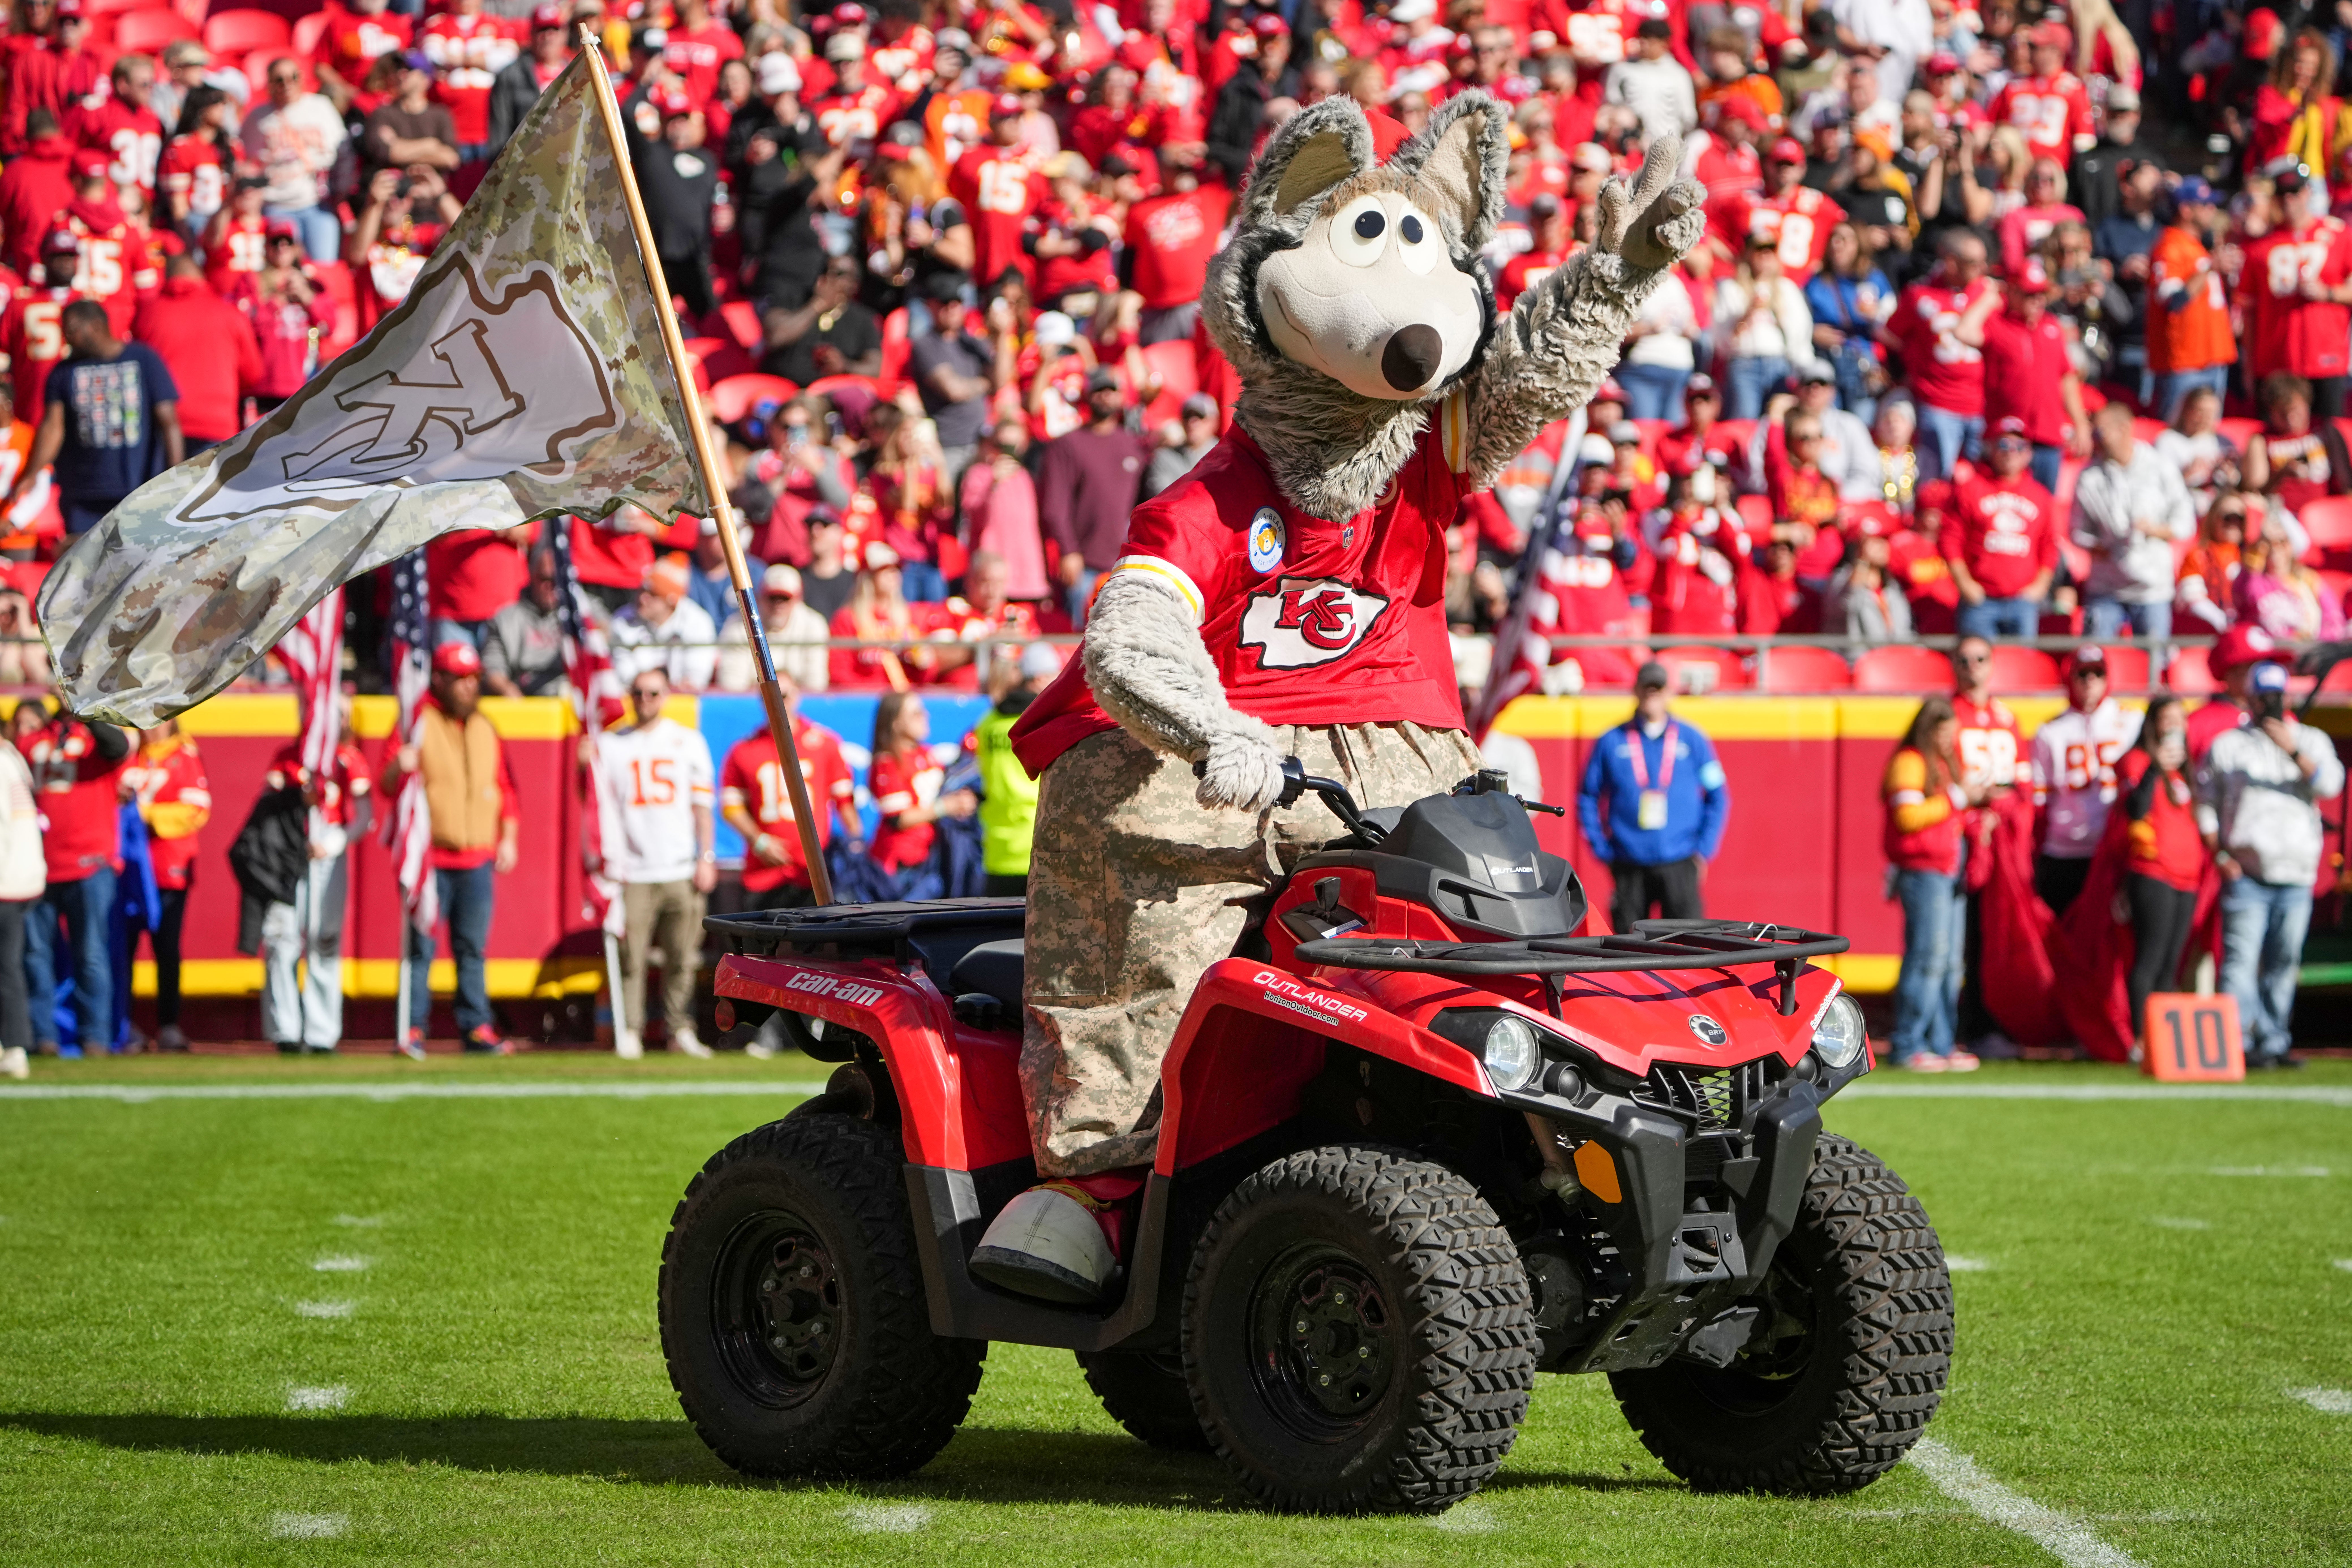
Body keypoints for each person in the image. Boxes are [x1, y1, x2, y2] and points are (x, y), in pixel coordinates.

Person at [2198, 659, 2345, 1069]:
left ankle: (2273, 1039)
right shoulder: (2229, 745)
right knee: (2240, 961)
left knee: (2284, 962)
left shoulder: (2311, 740)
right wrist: (2220, 853)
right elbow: (2205, 802)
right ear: (2250, 698)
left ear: (2288, 698)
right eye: (2263, 698)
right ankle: (2235, 1041)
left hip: (2295, 870)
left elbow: (2331, 784)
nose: (2270, 705)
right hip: (2245, 868)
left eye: (2276, 697)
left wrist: (2292, 749)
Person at [382, 642, 520, 1057]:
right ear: (438, 680)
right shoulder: (416, 723)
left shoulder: (485, 726)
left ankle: (476, 1028)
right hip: (429, 856)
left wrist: (509, 836)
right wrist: (398, 765)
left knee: (472, 948)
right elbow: (387, 783)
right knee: (421, 949)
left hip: (477, 856)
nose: (468, 687)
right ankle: (413, 1028)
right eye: (459, 678)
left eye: (473, 678)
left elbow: (505, 788)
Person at [593, 667, 717, 1059]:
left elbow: (702, 809)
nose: (645, 700)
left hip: (680, 865)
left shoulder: (687, 741)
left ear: (665, 695)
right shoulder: (611, 744)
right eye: (638, 693)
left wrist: (706, 856)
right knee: (633, 957)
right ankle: (629, 1028)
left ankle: (679, 1028)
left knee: (683, 957)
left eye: (653, 693)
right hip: (633, 869)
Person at [1577, 662, 1732, 934]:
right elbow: (1587, 797)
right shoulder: (1612, 741)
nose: (1652, 695)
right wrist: (1602, 849)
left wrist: (1703, 850)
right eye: (1647, 689)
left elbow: (1718, 796)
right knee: (1630, 949)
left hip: (1680, 860)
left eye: (1658, 689)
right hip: (1629, 862)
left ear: (1669, 693)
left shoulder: (1692, 739)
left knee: (1689, 946)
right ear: (1635, 691)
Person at [10, 300, 182, 534]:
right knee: (88, 566)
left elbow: (169, 423)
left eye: (72, 331)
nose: (66, 338)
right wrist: (32, 474)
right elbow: (53, 428)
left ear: (97, 327)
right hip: (82, 495)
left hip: (138, 491)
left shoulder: (144, 360)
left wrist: (176, 477)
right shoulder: (62, 373)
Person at [17, 698, 129, 1056]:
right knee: (36, 954)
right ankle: (43, 1037)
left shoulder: (97, 734)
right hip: (40, 865)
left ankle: (95, 1036)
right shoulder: (35, 740)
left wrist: (84, 709)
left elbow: (118, 747)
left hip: (90, 864)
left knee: (92, 954)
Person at [258, 705, 369, 1055]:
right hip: (289, 859)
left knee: (324, 941)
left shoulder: (348, 760)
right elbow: (267, 803)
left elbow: (364, 816)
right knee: (281, 940)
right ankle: (285, 1031)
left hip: (327, 859)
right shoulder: (287, 758)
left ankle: (322, 1033)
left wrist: (334, 841)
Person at [1883, 695, 1983, 1072]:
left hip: (1947, 868)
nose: (1948, 741)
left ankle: (1941, 1041)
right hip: (1923, 870)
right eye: (1943, 733)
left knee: (1947, 962)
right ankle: (1909, 1041)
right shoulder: (1910, 762)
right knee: (1927, 957)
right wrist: (1957, 797)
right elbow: (1908, 817)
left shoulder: (1941, 763)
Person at [718, 682, 860, 911]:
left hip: (815, 875)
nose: (777, 702)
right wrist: (759, 841)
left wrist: (857, 848)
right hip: (765, 874)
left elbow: (845, 804)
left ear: (798, 696)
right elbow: (731, 807)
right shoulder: (744, 750)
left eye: (783, 695)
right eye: (768, 696)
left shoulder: (825, 744)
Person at [2114, 696, 2201, 1043]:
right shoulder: (2137, 761)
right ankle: (2140, 1039)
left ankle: (2165, 1042)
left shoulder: (2184, 772)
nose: (2176, 726)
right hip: (2153, 871)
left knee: (2171, 962)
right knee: (2149, 956)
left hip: (2187, 874)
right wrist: (2154, 768)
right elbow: (2135, 809)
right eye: (2169, 719)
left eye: (2181, 718)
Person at [2069, 401, 2194, 644]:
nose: (2096, 438)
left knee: (2153, 664)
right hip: (2105, 588)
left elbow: (2185, 521)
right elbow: (2077, 530)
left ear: (2124, 429)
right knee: (2094, 658)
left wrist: (2156, 530)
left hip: (2152, 589)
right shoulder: (2089, 477)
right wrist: (2096, 545)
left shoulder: (2159, 467)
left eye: (2101, 431)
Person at [2029, 645, 2140, 918]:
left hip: (2112, 848)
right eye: (2082, 674)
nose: (2090, 681)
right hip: (2064, 847)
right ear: (2071, 678)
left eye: (2097, 673)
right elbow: (2040, 799)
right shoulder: (2050, 731)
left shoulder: (2132, 722)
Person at [120, 718, 206, 1052]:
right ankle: (122, 1023)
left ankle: (169, 1024)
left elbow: (197, 808)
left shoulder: (184, 756)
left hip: (168, 868)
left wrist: (149, 816)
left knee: (166, 949)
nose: (152, 728)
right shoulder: (130, 754)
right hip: (127, 870)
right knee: (123, 950)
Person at [1037, 369, 1149, 627]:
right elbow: (1055, 506)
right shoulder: (1067, 444)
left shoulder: (1134, 446)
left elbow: (1146, 502)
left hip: (1124, 565)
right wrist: (1069, 551)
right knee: (1082, 643)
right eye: (1099, 391)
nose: (1106, 397)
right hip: (1083, 565)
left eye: (1111, 391)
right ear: (1088, 396)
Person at [129, 255, 260, 454]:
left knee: (169, 485)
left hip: (164, 424)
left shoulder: (148, 313)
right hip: (217, 423)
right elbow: (254, 374)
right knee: (208, 485)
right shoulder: (230, 314)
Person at [1944, 416, 2057, 640]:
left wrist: (2040, 587)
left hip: (2022, 602)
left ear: (2029, 453)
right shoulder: (1970, 489)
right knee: (1977, 669)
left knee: (2021, 670)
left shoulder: (2040, 496)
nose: (2010, 452)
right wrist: (1965, 584)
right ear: (1991, 448)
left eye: (2019, 447)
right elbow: (1950, 540)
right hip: (1980, 601)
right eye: (2003, 445)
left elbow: (2049, 545)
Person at [240, 58, 348, 263]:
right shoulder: (258, 118)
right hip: (277, 205)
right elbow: (247, 162)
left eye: (293, 78)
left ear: (302, 78)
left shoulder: (321, 107)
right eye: (279, 80)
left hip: (318, 204)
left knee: (324, 266)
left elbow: (343, 152)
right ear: (270, 84)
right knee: (284, 269)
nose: (287, 84)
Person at [974, 644, 1058, 896]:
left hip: (997, 852)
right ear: (1041, 678)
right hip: (1042, 847)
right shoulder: (1047, 723)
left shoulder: (987, 723)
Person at [867, 690, 975, 878]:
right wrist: (946, 807)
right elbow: (898, 819)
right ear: (896, 723)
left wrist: (963, 801)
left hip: (932, 857)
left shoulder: (928, 754)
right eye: (916, 713)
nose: (926, 716)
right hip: (902, 864)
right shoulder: (887, 763)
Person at [611, 552, 720, 690]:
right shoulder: (623, 620)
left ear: (672, 602)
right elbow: (624, 677)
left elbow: (695, 680)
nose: (643, 599)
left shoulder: (698, 622)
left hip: (681, 705)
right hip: (638, 699)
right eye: (642, 590)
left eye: (653, 595)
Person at [718, 562, 830, 693]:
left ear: (798, 600)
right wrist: (771, 693)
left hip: (797, 707)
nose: (778, 605)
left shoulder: (814, 626)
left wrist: (785, 694)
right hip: (752, 708)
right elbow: (730, 687)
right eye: (772, 598)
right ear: (760, 598)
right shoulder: (739, 627)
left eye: (785, 598)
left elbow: (816, 687)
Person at [480, 547, 569, 699]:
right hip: (525, 700)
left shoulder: (576, 615)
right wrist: (507, 690)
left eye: (557, 580)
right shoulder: (506, 619)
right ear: (533, 577)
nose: (552, 587)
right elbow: (493, 669)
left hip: (567, 698)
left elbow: (604, 634)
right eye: (545, 579)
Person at [0, 725, 38, 1079]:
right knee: (9, 967)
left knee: (7, 969)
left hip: (7, 881)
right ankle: (13, 1045)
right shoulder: (12, 757)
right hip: (21, 879)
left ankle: (13, 1046)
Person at [1144, 393, 1219, 497]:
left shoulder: (1225, 457)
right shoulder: (1165, 458)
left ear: (1214, 422)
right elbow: (1163, 498)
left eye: (1200, 416)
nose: (1193, 423)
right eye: (1188, 416)